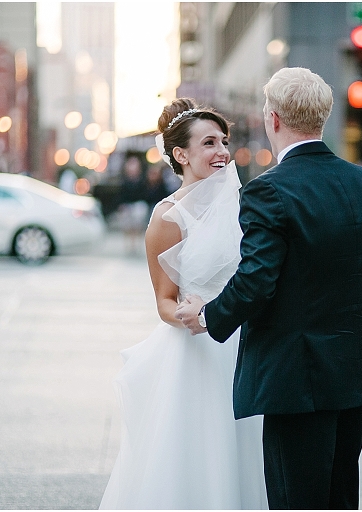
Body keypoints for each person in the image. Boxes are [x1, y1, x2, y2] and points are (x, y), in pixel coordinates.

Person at [176, 67, 362, 509]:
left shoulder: (268, 192)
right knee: (341, 490)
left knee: (296, 498)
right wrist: (360, 327)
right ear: (321, 118)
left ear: (274, 120)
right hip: (361, 366)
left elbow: (256, 282)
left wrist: (208, 316)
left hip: (297, 377)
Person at [99, 99, 268, 510]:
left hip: (247, 346)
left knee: (246, 458)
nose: (222, 152)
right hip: (198, 351)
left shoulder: (245, 206)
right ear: (181, 154)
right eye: (209, 143)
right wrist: (192, 315)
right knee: (199, 458)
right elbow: (163, 300)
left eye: (224, 142)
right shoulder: (168, 218)